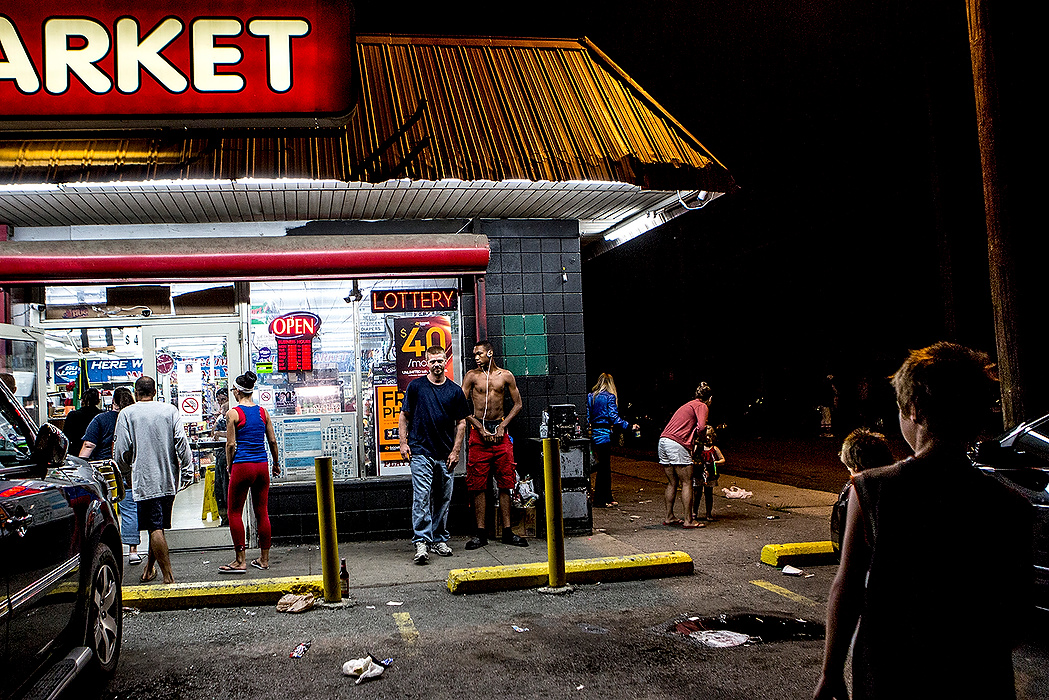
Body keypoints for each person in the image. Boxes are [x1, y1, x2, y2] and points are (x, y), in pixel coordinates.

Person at [814, 342, 1033, 700]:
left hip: (891, 674)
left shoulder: (871, 490)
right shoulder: (1010, 504)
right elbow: (1017, 613)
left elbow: (847, 588)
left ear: (913, 410)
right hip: (978, 677)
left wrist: (830, 672)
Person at [114, 376, 193, 584]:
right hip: (168, 479)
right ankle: (149, 569)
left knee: (154, 527)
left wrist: (125, 474)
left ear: (135, 392)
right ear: (155, 391)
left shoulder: (127, 414)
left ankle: (168, 577)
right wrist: (187, 469)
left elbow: (121, 450)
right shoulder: (169, 410)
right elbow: (181, 442)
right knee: (157, 526)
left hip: (144, 479)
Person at [399, 346, 470, 564]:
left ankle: (438, 538)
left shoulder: (455, 391)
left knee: (442, 497)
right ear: (426, 363)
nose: (437, 365)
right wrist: (403, 443)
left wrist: (456, 451)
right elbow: (404, 416)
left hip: (445, 453)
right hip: (420, 451)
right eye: (432, 362)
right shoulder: (416, 387)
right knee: (421, 497)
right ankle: (422, 542)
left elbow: (461, 423)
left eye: (440, 361)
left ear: (446, 361)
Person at [461, 340, 528, 549]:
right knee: (477, 485)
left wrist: (502, 426)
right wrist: (479, 427)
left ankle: (507, 531)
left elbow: (518, 404)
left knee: (506, 482)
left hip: (500, 433)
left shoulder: (505, 376)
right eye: (474, 355)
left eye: (479, 354)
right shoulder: (472, 376)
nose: (476, 357)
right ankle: (480, 533)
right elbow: (460, 406)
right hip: (478, 435)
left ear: (490, 353)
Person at [219, 372, 279, 573]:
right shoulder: (263, 412)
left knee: (234, 512)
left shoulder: (233, 413)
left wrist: (229, 466)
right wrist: (276, 463)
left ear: (237, 391)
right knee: (262, 511)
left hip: (242, 466)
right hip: (261, 465)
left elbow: (230, 444)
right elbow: (272, 441)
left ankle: (240, 560)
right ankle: (264, 559)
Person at [79, 387, 140, 564]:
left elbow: (89, 445)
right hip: (128, 472)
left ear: (112, 401)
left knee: (105, 513)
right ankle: (133, 551)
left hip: (104, 473)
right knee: (129, 510)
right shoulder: (133, 419)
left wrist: (80, 465)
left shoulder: (100, 419)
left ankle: (109, 550)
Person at [657, 382, 712, 529]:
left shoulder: (687, 404)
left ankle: (669, 517)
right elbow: (701, 426)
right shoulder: (702, 406)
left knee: (672, 482)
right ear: (709, 398)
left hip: (663, 441)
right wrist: (703, 437)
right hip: (676, 443)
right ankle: (689, 520)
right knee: (687, 482)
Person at [830, 428, 894, 553]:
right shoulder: (898, 484)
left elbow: (850, 550)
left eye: (850, 470)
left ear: (857, 468)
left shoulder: (857, 491)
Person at [586, 373, 639, 508]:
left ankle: (607, 497)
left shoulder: (591, 397)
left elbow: (587, 417)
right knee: (605, 468)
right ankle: (601, 499)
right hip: (604, 435)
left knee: (601, 467)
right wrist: (629, 426)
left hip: (594, 435)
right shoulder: (610, 397)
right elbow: (614, 417)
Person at [691, 426, 725, 522]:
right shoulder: (698, 447)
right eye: (705, 436)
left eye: (709, 436)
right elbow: (691, 456)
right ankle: (694, 512)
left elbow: (722, 459)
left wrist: (715, 463)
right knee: (697, 493)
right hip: (699, 473)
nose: (707, 438)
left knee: (709, 494)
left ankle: (708, 513)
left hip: (710, 474)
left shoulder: (714, 449)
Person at [62, 387, 102, 456]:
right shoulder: (101, 416)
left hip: (76, 453)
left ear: (82, 400)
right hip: (97, 453)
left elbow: (66, 437)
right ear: (98, 401)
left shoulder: (73, 415)